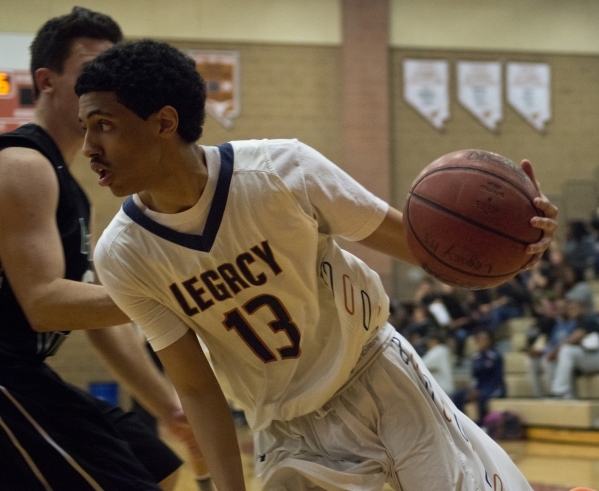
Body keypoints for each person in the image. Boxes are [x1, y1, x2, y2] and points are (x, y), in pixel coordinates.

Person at [76, 39, 558, 491]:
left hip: (378, 375)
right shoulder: (122, 255)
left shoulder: (282, 172)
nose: (88, 148)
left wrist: (520, 245)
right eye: (85, 129)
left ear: (163, 122)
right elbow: (197, 389)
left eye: (105, 125)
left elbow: (425, 249)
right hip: (286, 431)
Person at [0, 9, 210, 491]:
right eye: (89, 69)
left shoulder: (69, 187)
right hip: (7, 378)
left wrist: (171, 408)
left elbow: (105, 327)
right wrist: (179, 290)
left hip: (27, 373)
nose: (103, 81)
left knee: (164, 467)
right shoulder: (23, 165)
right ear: (46, 81)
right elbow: (44, 303)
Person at [451, 330, 507, 425]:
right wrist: (473, 388)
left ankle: (482, 425)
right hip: (480, 386)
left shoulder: (496, 357)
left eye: (485, 339)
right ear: (476, 341)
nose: (483, 341)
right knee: (457, 396)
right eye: (480, 339)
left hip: (494, 387)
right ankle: (464, 423)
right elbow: (474, 377)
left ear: (490, 340)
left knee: (482, 396)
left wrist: (481, 391)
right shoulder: (475, 358)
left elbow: (498, 377)